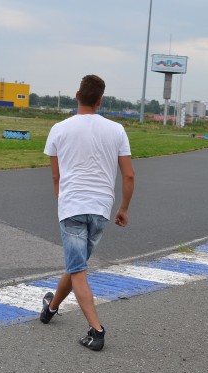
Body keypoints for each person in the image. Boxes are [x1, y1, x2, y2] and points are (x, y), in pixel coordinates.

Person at [41, 74, 135, 351]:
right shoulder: (117, 130)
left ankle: (97, 330)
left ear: (77, 95)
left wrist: (63, 203)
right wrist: (124, 208)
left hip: (72, 206)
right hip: (101, 208)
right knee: (76, 266)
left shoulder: (59, 129)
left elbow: (56, 177)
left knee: (78, 269)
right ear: (100, 101)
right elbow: (129, 175)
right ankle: (51, 308)